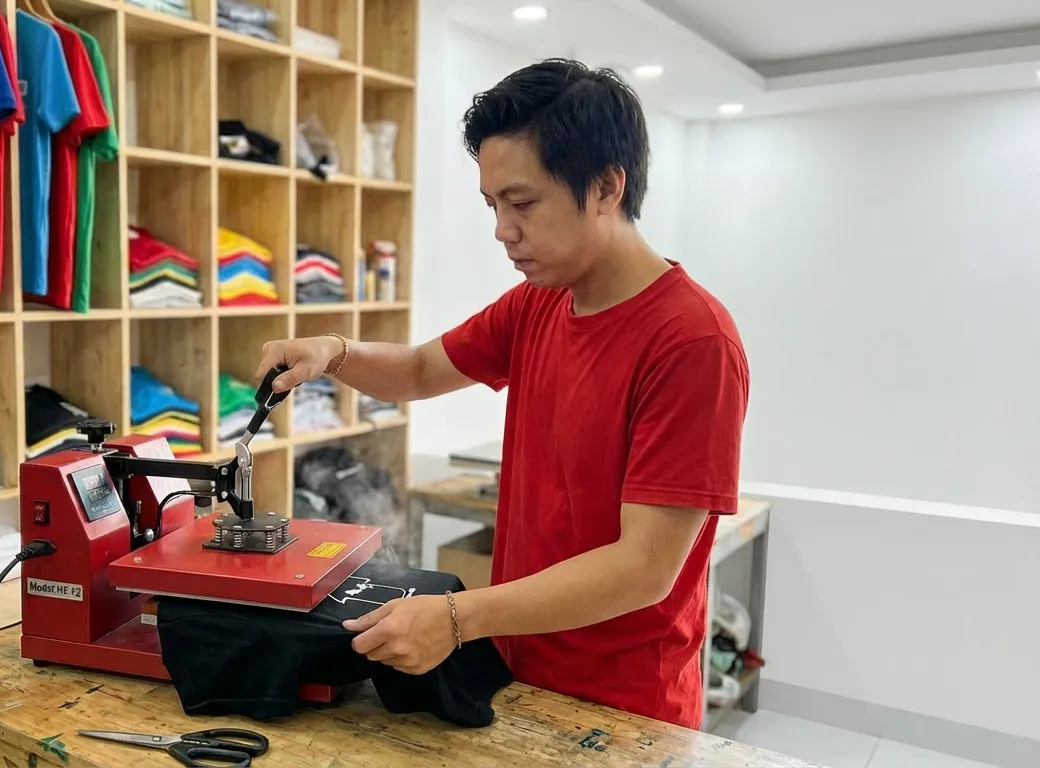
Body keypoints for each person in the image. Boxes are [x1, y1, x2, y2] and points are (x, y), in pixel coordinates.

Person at [254, 59, 749, 730]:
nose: (502, 230)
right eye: (492, 206)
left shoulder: (693, 341)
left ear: (606, 187)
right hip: (517, 674)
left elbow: (644, 568)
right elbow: (423, 369)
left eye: (522, 204)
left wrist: (459, 618)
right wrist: (334, 354)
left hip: (625, 708)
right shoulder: (538, 303)